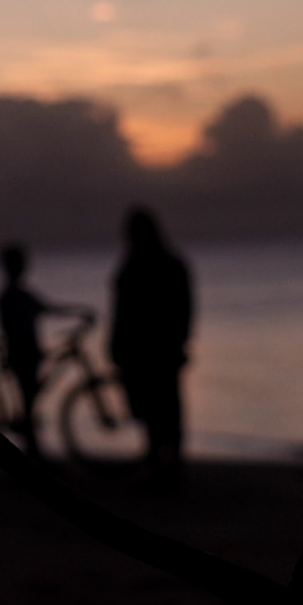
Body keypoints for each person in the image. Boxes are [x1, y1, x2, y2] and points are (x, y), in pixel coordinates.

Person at [109, 207, 193, 489]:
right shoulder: (170, 263)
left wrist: (116, 344)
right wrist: (181, 340)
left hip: (144, 350)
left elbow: (121, 312)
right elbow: (186, 309)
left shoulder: (133, 266)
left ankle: (160, 461)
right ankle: (170, 463)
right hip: (162, 349)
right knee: (167, 407)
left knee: (150, 407)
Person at [0, 243, 87, 456]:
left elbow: (46, 309)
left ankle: (33, 453)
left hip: (26, 353)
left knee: (29, 401)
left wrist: (77, 311)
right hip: (24, 355)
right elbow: (46, 309)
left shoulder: (12, 295)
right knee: (28, 402)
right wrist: (79, 312)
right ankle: (34, 456)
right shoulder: (14, 296)